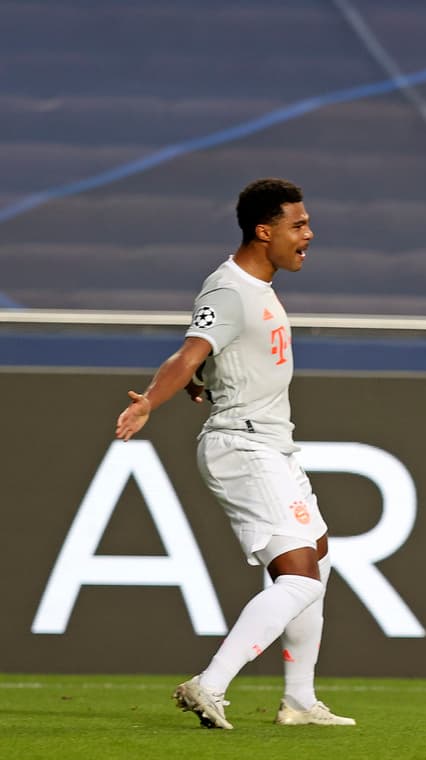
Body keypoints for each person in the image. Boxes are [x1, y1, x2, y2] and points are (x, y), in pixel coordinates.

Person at [115, 178, 355, 729]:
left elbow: (213, 357)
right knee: (297, 577)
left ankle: (298, 700)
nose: (309, 234)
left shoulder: (258, 287)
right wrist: (153, 400)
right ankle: (210, 684)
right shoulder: (229, 290)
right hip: (244, 446)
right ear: (263, 231)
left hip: (272, 443)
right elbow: (190, 350)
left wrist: (206, 378)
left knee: (316, 558)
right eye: (298, 225)